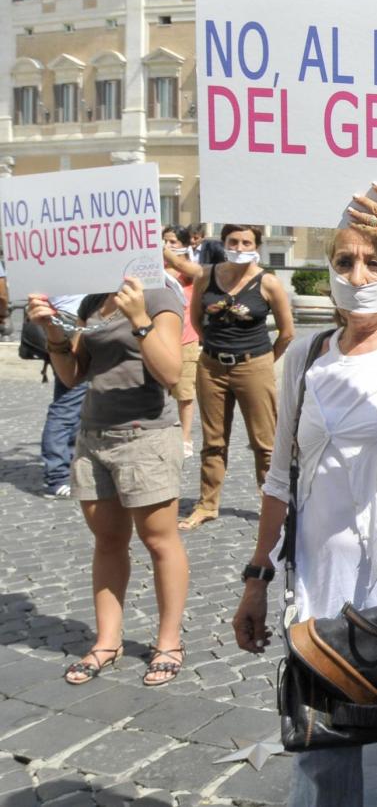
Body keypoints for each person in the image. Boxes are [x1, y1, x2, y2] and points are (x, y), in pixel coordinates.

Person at [232, 186, 377, 807]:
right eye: (344, 262)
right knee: (324, 763)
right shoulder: (306, 356)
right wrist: (258, 574)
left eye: (374, 262)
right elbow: (281, 475)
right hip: (321, 588)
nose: (359, 276)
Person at [27, 277, 190, 688]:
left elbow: (171, 371)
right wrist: (54, 334)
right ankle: (107, 641)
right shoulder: (92, 300)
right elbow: (72, 375)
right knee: (108, 541)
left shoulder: (157, 296)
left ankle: (169, 643)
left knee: (159, 540)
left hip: (146, 435)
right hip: (94, 435)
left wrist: (139, 318)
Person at [182, 225, 294, 531]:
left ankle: (272, 504)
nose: (240, 246)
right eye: (233, 241)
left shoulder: (268, 282)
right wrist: (213, 347)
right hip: (212, 365)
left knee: (265, 443)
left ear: (257, 245)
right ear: (224, 243)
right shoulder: (207, 275)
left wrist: (264, 361)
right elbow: (195, 318)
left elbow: (287, 332)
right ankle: (207, 504)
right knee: (213, 441)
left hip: (253, 364)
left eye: (246, 242)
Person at [39, 294, 89, 499]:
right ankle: (58, 474)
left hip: (74, 318)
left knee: (76, 400)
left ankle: (66, 465)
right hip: (70, 320)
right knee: (68, 402)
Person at [162, 226, 204, 459]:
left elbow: (186, 268)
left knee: (185, 394)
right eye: (165, 241)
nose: (168, 246)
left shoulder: (190, 269)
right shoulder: (154, 269)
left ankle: (185, 437)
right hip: (159, 339)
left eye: (173, 242)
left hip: (186, 339)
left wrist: (162, 250)